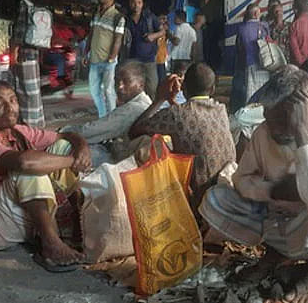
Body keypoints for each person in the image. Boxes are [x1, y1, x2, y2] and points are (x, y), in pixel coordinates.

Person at [199, 66, 308, 303]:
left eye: (281, 117)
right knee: (216, 199)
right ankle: (275, 256)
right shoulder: (264, 133)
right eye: (268, 114)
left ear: (305, 112)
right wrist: (273, 191)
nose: (271, 124)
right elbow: (241, 179)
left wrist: (302, 133)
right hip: (277, 220)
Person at [0, 80, 91, 270]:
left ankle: (74, 225)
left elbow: (65, 136)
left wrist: (81, 147)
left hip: (16, 216)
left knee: (62, 148)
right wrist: (73, 161)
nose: (9, 108)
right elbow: (24, 163)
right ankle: (51, 245)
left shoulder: (17, 131)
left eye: (13, 100)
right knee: (29, 168)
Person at [129, 63, 236, 208]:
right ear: (212, 89)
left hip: (197, 200)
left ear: (184, 90)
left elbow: (135, 131)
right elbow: (189, 119)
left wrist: (160, 98)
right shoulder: (221, 110)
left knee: (148, 145)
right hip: (226, 190)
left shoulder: (175, 115)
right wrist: (172, 102)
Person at [60, 61, 152, 167]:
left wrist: (63, 132)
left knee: (67, 149)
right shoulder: (144, 101)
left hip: (123, 160)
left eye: (126, 82)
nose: (120, 87)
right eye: (117, 81)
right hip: (124, 153)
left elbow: (93, 130)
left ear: (141, 85)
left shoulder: (133, 109)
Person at [9, 0, 45, 127]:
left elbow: (20, 30)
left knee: (26, 91)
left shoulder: (23, 5)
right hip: (33, 53)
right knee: (33, 91)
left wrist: (14, 52)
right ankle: (37, 123)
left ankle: (30, 126)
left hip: (24, 54)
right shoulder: (33, 3)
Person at [83, 0, 125, 118]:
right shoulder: (96, 14)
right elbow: (91, 35)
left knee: (108, 91)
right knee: (94, 91)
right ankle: (103, 117)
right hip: (95, 59)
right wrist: (86, 53)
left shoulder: (118, 17)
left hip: (108, 61)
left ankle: (111, 119)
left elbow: (118, 39)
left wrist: (112, 58)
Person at [230, 3, 271, 113]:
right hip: (265, 64)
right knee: (264, 91)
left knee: (251, 92)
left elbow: (239, 48)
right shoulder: (264, 26)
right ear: (256, 13)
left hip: (249, 64)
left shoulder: (242, 28)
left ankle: (251, 114)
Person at [126, 0, 166, 99]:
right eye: (133, 3)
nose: (136, 5)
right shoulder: (125, 19)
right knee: (134, 90)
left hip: (149, 59)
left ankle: (151, 112)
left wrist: (153, 36)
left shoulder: (149, 17)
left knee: (152, 88)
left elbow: (163, 31)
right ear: (130, 4)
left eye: (139, 2)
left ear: (142, 4)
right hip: (132, 60)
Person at [200, 0, 222, 70]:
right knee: (207, 44)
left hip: (215, 22)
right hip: (207, 23)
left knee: (215, 44)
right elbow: (202, 5)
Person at [155, 13, 170, 83]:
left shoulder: (164, 33)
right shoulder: (157, 32)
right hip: (157, 59)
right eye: (163, 19)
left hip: (162, 59)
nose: (165, 21)